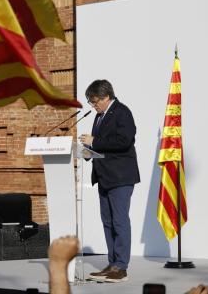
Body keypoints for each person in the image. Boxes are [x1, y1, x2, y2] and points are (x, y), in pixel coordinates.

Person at [79, 79, 140, 283]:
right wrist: (84, 152)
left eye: (95, 101)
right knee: (108, 222)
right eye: (91, 102)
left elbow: (124, 141)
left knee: (120, 221)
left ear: (106, 97)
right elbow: (102, 146)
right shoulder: (99, 116)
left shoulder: (122, 112)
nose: (93, 105)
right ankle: (112, 262)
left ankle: (121, 266)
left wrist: (94, 141)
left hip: (120, 176)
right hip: (104, 176)